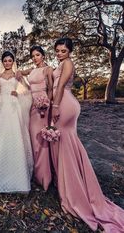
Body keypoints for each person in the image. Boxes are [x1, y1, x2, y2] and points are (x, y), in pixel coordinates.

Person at [50, 37, 124, 232]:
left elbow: (59, 88)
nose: (59, 53)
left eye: (63, 50)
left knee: (66, 144)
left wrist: (55, 106)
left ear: (69, 52)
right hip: (63, 102)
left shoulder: (68, 64)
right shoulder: (61, 64)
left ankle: (75, 192)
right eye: (57, 50)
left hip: (65, 104)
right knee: (67, 145)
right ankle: (71, 185)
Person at [0, 51, 33, 194]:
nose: (7, 63)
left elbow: (27, 89)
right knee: (0, 137)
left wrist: (17, 93)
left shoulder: (17, 74)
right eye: (5, 60)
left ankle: (19, 180)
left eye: (9, 60)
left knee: (14, 136)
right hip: (1, 106)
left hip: (13, 106)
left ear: (13, 61)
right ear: (2, 62)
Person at [16, 45, 53, 191]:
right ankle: (37, 173)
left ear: (43, 55)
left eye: (37, 55)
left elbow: (50, 88)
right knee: (33, 137)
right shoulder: (32, 70)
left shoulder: (48, 69)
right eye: (33, 56)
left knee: (40, 140)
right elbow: (19, 72)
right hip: (32, 104)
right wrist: (18, 73)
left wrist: (46, 104)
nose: (35, 58)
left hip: (42, 104)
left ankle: (44, 177)